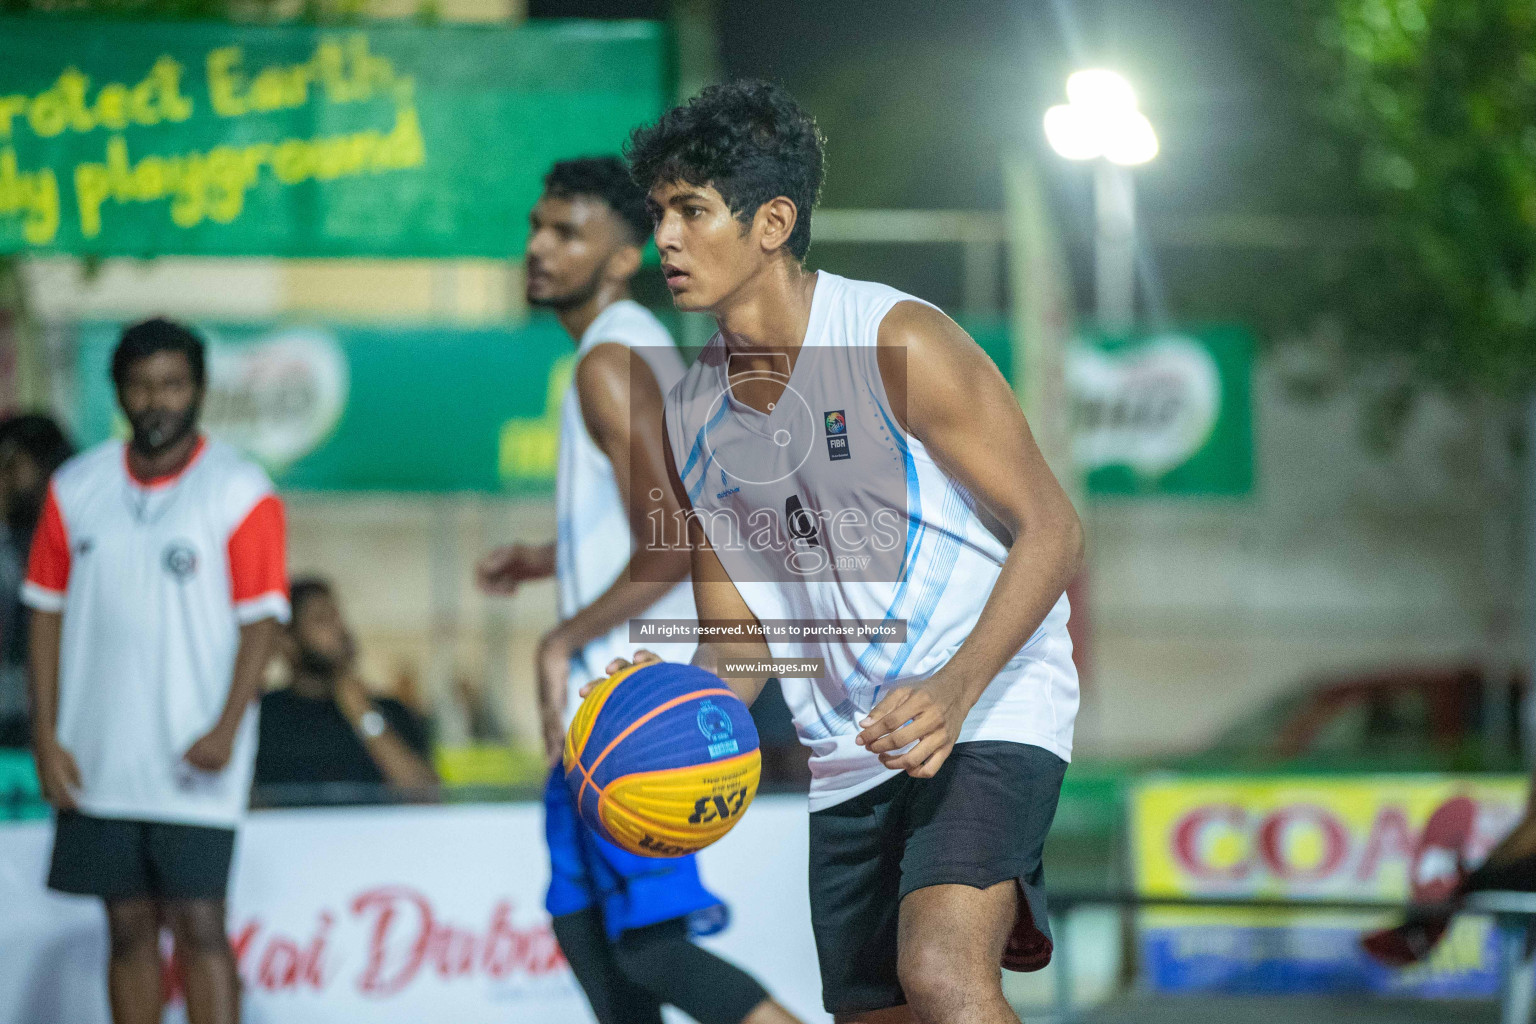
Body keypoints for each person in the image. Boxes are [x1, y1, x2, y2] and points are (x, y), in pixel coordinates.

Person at [609, 81, 1084, 1024]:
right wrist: (661, 718)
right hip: (848, 746)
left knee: (945, 978)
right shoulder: (691, 406)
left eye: (692, 211)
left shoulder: (889, 339)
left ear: (772, 222)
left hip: (988, 702)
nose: (664, 236)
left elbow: (1055, 528)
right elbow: (741, 641)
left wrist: (953, 689)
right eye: (658, 211)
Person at [477, 156, 799, 1024]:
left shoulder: (607, 363)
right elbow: (671, 516)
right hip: (622, 698)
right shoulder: (636, 350)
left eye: (567, 232)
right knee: (588, 935)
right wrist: (545, 561)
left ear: (623, 258)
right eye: (536, 227)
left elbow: (667, 544)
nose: (539, 247)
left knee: (651, 950)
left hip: (631, 711)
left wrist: (553, 640)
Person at [25, 318, 288, 1024]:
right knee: (127, 929)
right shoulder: (74, 488)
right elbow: (43, 614)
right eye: (141, 386)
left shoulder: (239, 490)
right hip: (98, 758)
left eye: (172, 384)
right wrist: (47, 738)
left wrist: (228, 728)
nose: (157, 401)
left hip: (195, 760)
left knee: (201, 927)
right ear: (119, 393)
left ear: (198, 390)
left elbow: (261, 623)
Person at [253, 576, 437, 803]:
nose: (339, 630)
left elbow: (426, 797)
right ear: (287, 641)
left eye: (338, 617)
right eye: (321, 620)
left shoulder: (388, 711)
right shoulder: (262, 717)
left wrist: (363, 714)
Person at [0, 414, 73, 747]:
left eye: (13, 463)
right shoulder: (11, 533)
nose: (5, 477)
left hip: (58, 714)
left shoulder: (75, 538)